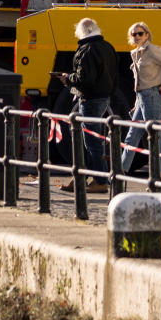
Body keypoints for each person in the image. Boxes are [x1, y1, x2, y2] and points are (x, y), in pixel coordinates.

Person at [59, 18, 118, 193]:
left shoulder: (87, 50)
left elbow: (85, 79)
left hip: (90, 99)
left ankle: (100, 180)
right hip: (104, 97)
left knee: (91, 142)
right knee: (91, 141)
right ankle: (80, 178)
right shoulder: (108, 47)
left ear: (82, 30)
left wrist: (67, 78)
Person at [120, 22, 161, 181]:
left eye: (140, 33)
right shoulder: (135, 53)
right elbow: (139, 81)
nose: (137, 37)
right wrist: (136, 102)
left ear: (147, 35)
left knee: (154, 136)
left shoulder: (153, 51)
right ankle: (120, 173)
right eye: (134, 34)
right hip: (142, 98)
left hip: (152, 96)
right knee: (132, 135)